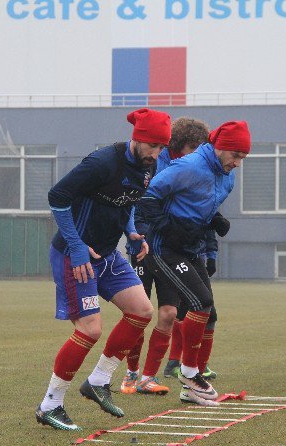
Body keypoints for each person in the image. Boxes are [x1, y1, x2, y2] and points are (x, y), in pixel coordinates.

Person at [34, 108, 171, 431]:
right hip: (74, 255)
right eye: (152, 146)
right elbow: (57, 197)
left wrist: (133, 233)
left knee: (141, 311)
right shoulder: (102, 162)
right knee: (90, 330)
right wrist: (78, 246)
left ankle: (98, 382)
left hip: (108, 255)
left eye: (161, 147)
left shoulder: (148, 166)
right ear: (137, 139)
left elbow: (127, 202)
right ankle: (49, 405)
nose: (156, 153)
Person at [139, 121, 251, 406]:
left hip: (191, 248)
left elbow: (201, 205)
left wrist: (214, 221)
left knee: (209, 314)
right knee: (200, 302)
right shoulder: (187, 166)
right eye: (235, 155)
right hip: (164, 248)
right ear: (219, 147)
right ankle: (188, 373)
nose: (238, 163)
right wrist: (166, 226)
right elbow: (146, 199)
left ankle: (191, 384)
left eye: (243, 158)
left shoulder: (226, 176)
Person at [120, 117, 217, 396]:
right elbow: (137, 203)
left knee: (169, 313)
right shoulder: (155, 164)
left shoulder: (192, 170)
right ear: (180, 144)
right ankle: (130, 373)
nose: (198, 154)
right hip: (143, 249)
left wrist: (207, 247)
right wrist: (137, 235)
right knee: (139, 312)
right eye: (193, 148)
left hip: (169, 250)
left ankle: (148, 378)